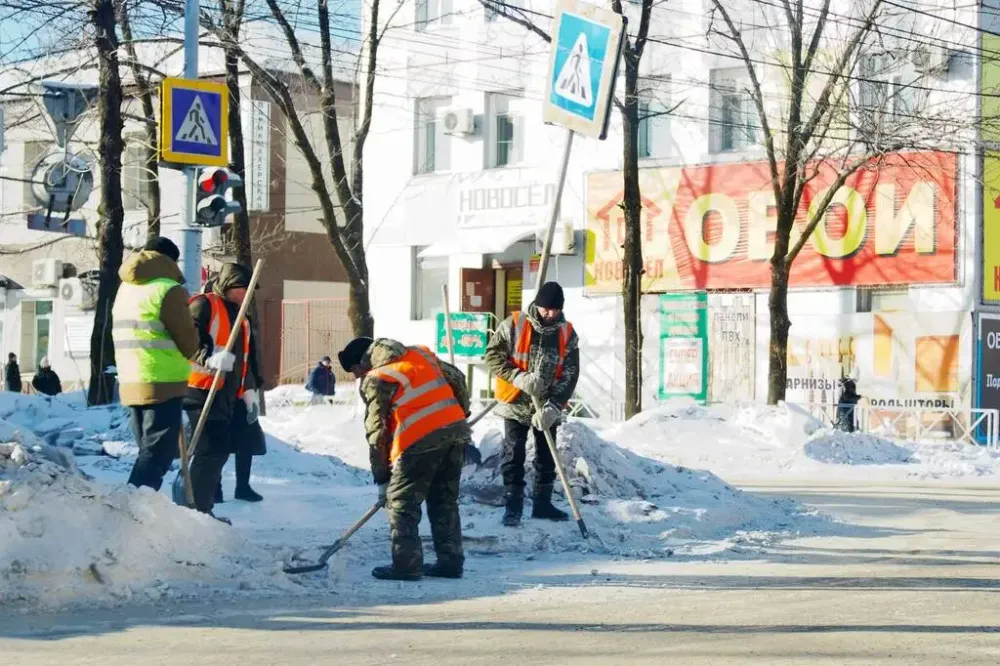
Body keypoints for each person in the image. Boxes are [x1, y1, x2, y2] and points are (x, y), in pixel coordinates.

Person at [339, 336, 470, 581]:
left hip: (419, 439)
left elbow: (377, 432)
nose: (357, 378)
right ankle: (450, 561)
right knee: (444, 500)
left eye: (355, 372)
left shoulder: (377, 378)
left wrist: (382, 480)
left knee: (402, 505)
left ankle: (406, 565)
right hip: (456, 431)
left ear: (361, 363)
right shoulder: (419, 354)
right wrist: (460, 414)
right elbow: (458, 379)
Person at [484, 281, 580, 527]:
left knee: (546, 455)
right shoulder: (514, 325)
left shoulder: (567, 333)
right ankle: (513, 506)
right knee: (513, 454)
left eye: (555, 310)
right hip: (514, 401)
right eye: (546, 309)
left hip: (546, 404)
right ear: (537, 305)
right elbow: (492, 356)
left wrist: (554, 405)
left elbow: (570, 373)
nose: (550, 314)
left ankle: (542, 504)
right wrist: (518, 377)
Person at [112, 237, 200, 491]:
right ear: (170, 260)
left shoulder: (126, 288)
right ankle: (134, 507)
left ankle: (136, 505)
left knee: (147, 450)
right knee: (157, 453)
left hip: (131, 379)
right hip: (163, 380)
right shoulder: (168, 288)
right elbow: (188, 342)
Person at [184, 262, 266, 519]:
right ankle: (197, 509)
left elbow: (245, 359)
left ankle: (203, 506)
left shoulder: (242, 318)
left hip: (227, 395)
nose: (247, 294)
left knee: (220, 450)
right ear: (230, 287)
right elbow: (188, 337)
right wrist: (207, 357)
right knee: (211, 450)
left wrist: (249, 389)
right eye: (243, 289)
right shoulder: (205, 304)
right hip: (200, 390)